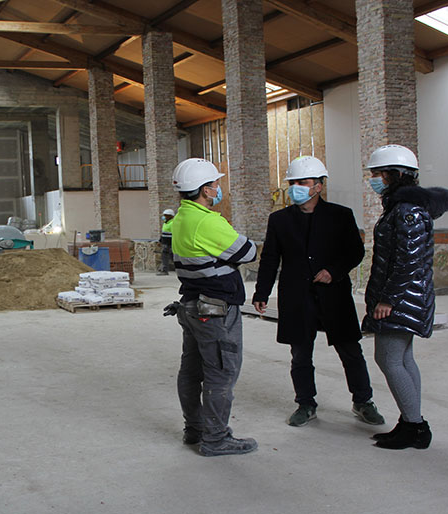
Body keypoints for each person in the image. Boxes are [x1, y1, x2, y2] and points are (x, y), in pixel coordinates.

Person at [252, 156, 385, 428]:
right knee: (300, 353)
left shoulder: (340, 215)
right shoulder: (279, 220)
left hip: (333, 295)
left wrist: (333, 271)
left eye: (303, 182)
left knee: (350, 349)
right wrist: (261, 293)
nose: (296, 188)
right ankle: (305, 403)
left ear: (318, 186)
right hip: (297, 296)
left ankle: (363, 401)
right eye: (293, 183)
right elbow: (270, 259)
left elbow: (354, 251)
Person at [362, 144, 448, 450]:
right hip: (406, 296)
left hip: (402, 298)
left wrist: (387, 299)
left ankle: (415, 426)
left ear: (396, 175)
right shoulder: (400, 208)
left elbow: (408, 261)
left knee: (388, 359)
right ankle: (410, 420)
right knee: (402, 358)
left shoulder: (407, 211)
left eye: (379, 174)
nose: (375, 179)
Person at [168, 158, 258, 457]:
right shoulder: (207, 221)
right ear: (205, 189)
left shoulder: (179, 218)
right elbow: (248, 251)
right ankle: (216, 438)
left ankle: (194, 429)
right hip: (216, 310)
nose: (219, 188)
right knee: (221, 373)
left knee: (191, 371)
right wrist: (228, 257)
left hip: (192, 307)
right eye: (215, 184)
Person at [156, 208, 175, 275]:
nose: (164, 217)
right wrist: (160, 241)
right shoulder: (165, 223)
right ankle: (164, 270)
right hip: (166, 243)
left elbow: (175, 234)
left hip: (171, 243)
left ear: (171, 216)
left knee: (173, 257)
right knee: (165, 257)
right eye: (164, 215)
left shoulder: (173, 223)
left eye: (166, 215)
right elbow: (164, 233)